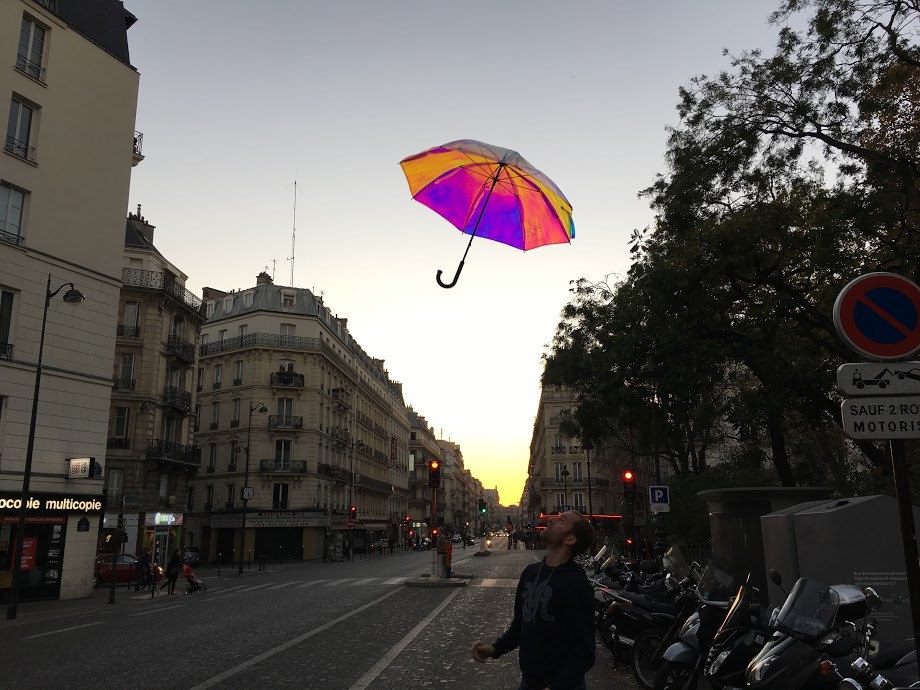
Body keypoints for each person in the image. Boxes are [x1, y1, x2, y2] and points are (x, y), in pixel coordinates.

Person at [470, 511, 596, 690]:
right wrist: (494, 649)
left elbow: (585, 650)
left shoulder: (576, 583)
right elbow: (521, 624)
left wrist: (557, 686)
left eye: (562, 520)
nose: (551, 519)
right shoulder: (530, 573)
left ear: (570, 539)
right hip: (529, 682)